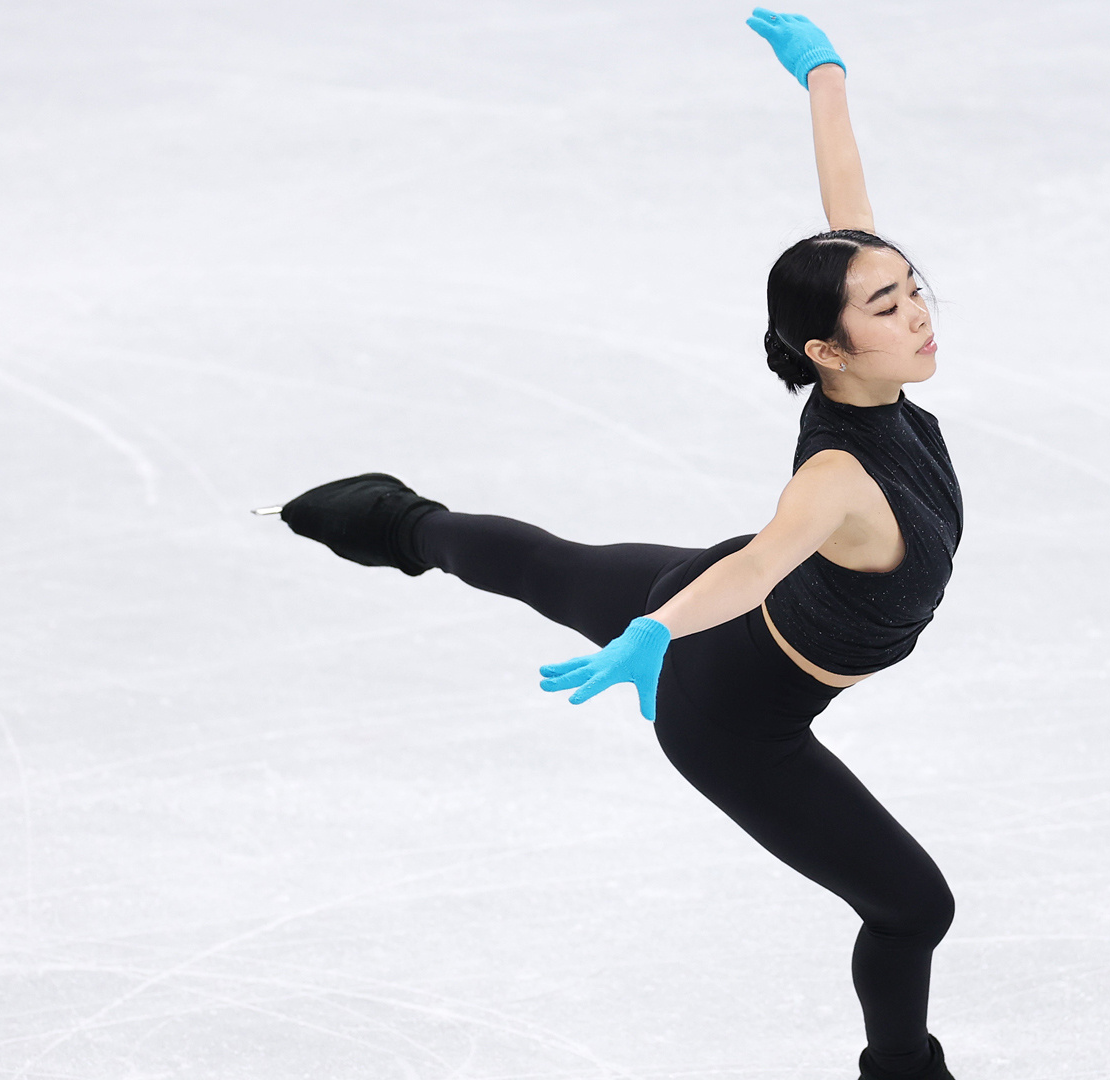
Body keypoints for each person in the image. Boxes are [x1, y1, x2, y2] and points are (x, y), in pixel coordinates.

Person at [274, 9, 964, 1078]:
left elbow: (849, 211)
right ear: (827, 347)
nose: (919, 310)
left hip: (718, 606)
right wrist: (656, 632)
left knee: (551, 566)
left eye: (912, 284)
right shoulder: (836, 479)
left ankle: (404, 524)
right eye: (890, 302)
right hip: (731, 709)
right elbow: (760, 561)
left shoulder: (859, 354)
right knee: (915, 907)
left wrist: (823, 74)